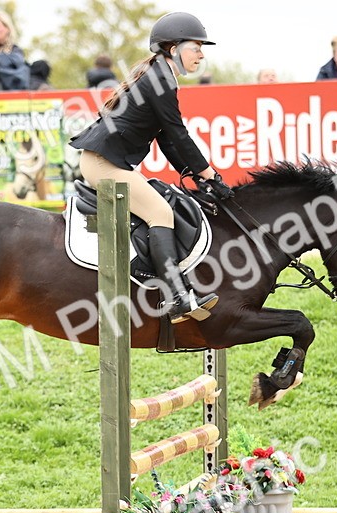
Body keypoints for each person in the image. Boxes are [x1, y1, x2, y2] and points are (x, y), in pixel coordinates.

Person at [70, 12, 232, 324]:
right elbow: (177, 134)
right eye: (195, 46)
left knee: (162, 204)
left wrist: (198, 176)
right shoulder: (161, 79)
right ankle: (176, 297)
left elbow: (168, 142)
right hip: (102, 163)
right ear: (173, 49)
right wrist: (209, 174)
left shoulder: (160, 75)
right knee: (161, 213)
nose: (201, 54)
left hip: (104, 160)